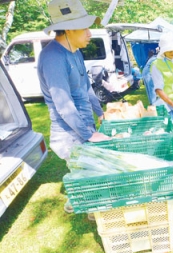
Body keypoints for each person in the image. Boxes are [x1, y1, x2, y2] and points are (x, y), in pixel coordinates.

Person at [37, 0, 111, 218]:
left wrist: (100, 112)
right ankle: (92, 212)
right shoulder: (53, 58)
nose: (90, 33)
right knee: (90, 172)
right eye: (85, 28)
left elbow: (86, 88)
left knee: (87, 172)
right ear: (69, 29)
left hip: (84, 125)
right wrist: (89, 134)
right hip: (68, 133)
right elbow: (63, 104)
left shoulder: (76, 51)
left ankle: (76, 201)